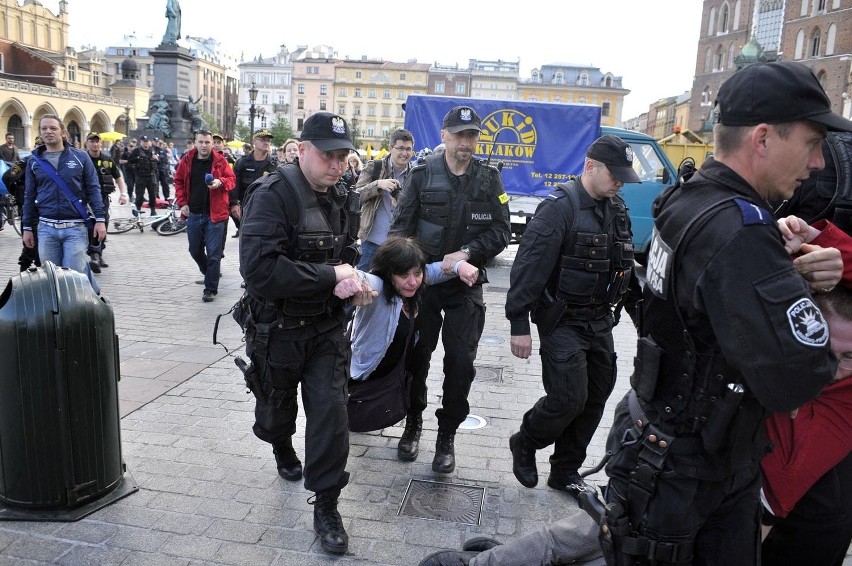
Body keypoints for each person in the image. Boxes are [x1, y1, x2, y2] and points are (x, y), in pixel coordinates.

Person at [600, 61, 852, 565]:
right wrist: (786, 287)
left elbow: (695, 309)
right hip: (695, 474)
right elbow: (801, 374)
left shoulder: (686, 199)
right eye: (811, 142)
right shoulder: (743, 233)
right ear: (763, 138)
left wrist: (781, 276)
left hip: (662, 447)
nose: (820, 162)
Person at [236, 112, 373, 555]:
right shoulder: (274, 195)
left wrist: (354, 283)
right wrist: (330, 275)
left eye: (342, 155)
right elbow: (259, 270)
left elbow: (346, 254)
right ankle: (281, 447)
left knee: (332, 416)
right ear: (302, 149)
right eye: (327, 155)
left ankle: (327, 506)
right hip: (276, 331)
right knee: (276, 413)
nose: (337, 164)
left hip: (327, 330)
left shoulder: (342, 196)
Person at [505, 135, 642, 496]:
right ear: (590, 166)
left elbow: (625, 269)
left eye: (624, 177)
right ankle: (526, 440)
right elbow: (528, 268)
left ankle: (565, 471)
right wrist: (519, 324)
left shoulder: (618, 209)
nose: (619, 182)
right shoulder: (559, 208)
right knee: (568, 398)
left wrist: (646, 324)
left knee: (596, 395)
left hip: (600, 321)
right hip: (562, 320)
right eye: (615, 174)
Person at [388, 105, 511, 472]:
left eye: (472, 135)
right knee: (416, 358)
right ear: (444, 136)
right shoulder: (422, 173)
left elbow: (502, 231)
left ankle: (447, 436)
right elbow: (399, 229)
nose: (466, 142)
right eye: (459, 135)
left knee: (461, 364)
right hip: (422, 285)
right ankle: (412, 424)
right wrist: (402, 276)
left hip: (465, 286)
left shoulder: (489, 179)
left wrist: (470, 252)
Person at [350, 236, 479, 387]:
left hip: (394, 383)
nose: (413, 282)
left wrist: (460, 266)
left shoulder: (418, 280)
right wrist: (354, 282)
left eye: (417, 273)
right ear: (388, 273)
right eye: (404, 275)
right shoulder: (379, 286)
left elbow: (435, 270)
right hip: (365, 381)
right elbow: (361, 277)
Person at [21, 115, 106, 287]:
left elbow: (93, 189)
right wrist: (27, 227)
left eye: (53, 128)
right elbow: (29, 196)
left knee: (74, 278)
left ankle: (86, 306)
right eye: (44, 128)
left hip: (75, 228)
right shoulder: (33, 162)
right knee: (51, 279)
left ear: (63, 133)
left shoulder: (80, 157)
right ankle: (59, 314)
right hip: (46, 229)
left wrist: (100, 219)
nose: (48, 132)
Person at [174, 130, 237, 302]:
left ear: (212, 144)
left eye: (207, 142)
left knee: (214, 253)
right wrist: (182, 202)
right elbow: (178, 181)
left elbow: (232, 180)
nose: (204, 145)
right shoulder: (187, 160)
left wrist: (220, 182)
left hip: (216, 215)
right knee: (194, 250)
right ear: (195, 142)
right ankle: (208, 272)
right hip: (194, 213)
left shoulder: (220, 160)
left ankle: (210, 289)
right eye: (201, 142)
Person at [356, 128, 415, 271]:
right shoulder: (374, 167)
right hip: (371, 240)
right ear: (390, 148)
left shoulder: (415, 173)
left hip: (398, 244)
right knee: (363, 282)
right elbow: (356, 196)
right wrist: (378, 185)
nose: (405, 153)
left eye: (408, 149)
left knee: (393, 286)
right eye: (400, 148)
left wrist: (403, 203)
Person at [83, 133, 128, 273]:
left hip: (102, 198)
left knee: (103, 225)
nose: (95, 144)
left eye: (97, 141)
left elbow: (118, 178)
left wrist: (124, 194)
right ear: (87, 143)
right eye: (92, 141)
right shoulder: (82, 159)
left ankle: (97, 255)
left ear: (101, 144)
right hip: (85, 200)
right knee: (90, 226)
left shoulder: (107, 160)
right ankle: (94, 255)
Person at [232, 129, 276, 238]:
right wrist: (233, 204)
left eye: (268, 140)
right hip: (246, 208)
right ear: (254, 142)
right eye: (263, 139)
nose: (266, 142)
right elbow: (235, 184)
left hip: (268, 209)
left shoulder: (274, 164)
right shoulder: (242, 163)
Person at [129, 135, 160, 217]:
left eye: (147, 142)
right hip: (141, 176)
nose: (146, 144)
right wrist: (138, 158)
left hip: (151, 176)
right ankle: (138, 209)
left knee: (153, 194)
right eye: (144, 142)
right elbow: (130, 160)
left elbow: (158, 163)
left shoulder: (152, 150)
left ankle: (153, 210)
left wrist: (157, 158)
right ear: (141, 142)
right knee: (139, 194)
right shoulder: (136, 151)